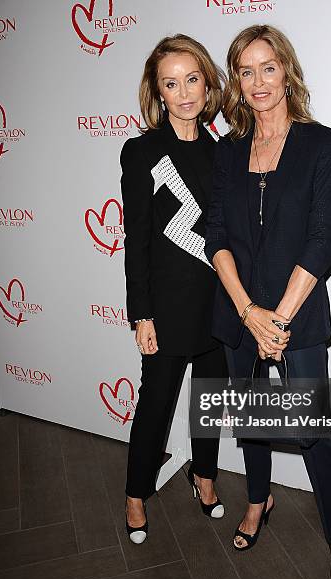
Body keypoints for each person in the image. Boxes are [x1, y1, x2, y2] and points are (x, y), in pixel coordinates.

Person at [205, 25, 331, 579]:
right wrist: (248, 313)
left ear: (286, 71)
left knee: (313, 432)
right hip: (239, 311)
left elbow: (323, 240)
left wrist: (281, 320)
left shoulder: (322, 144)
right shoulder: (229, 150)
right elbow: (214, 231)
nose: (258, 81)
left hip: (300, 315)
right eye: (245, 71)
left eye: (268, 67)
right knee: (251, 418)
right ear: (236, 83)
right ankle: (258, 499)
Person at [121, 34, 228, 545]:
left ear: (207, 84)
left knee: (210, 401)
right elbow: (136, 236)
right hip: (165, 309)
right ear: (158, 92)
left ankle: (203, 476)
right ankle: (136, 492)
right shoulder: (141, 151)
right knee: (156, 404)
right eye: (171, 83)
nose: (183, 93)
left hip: (217, 307)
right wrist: (141, 313)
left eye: (192, 80)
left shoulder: (226, 152)